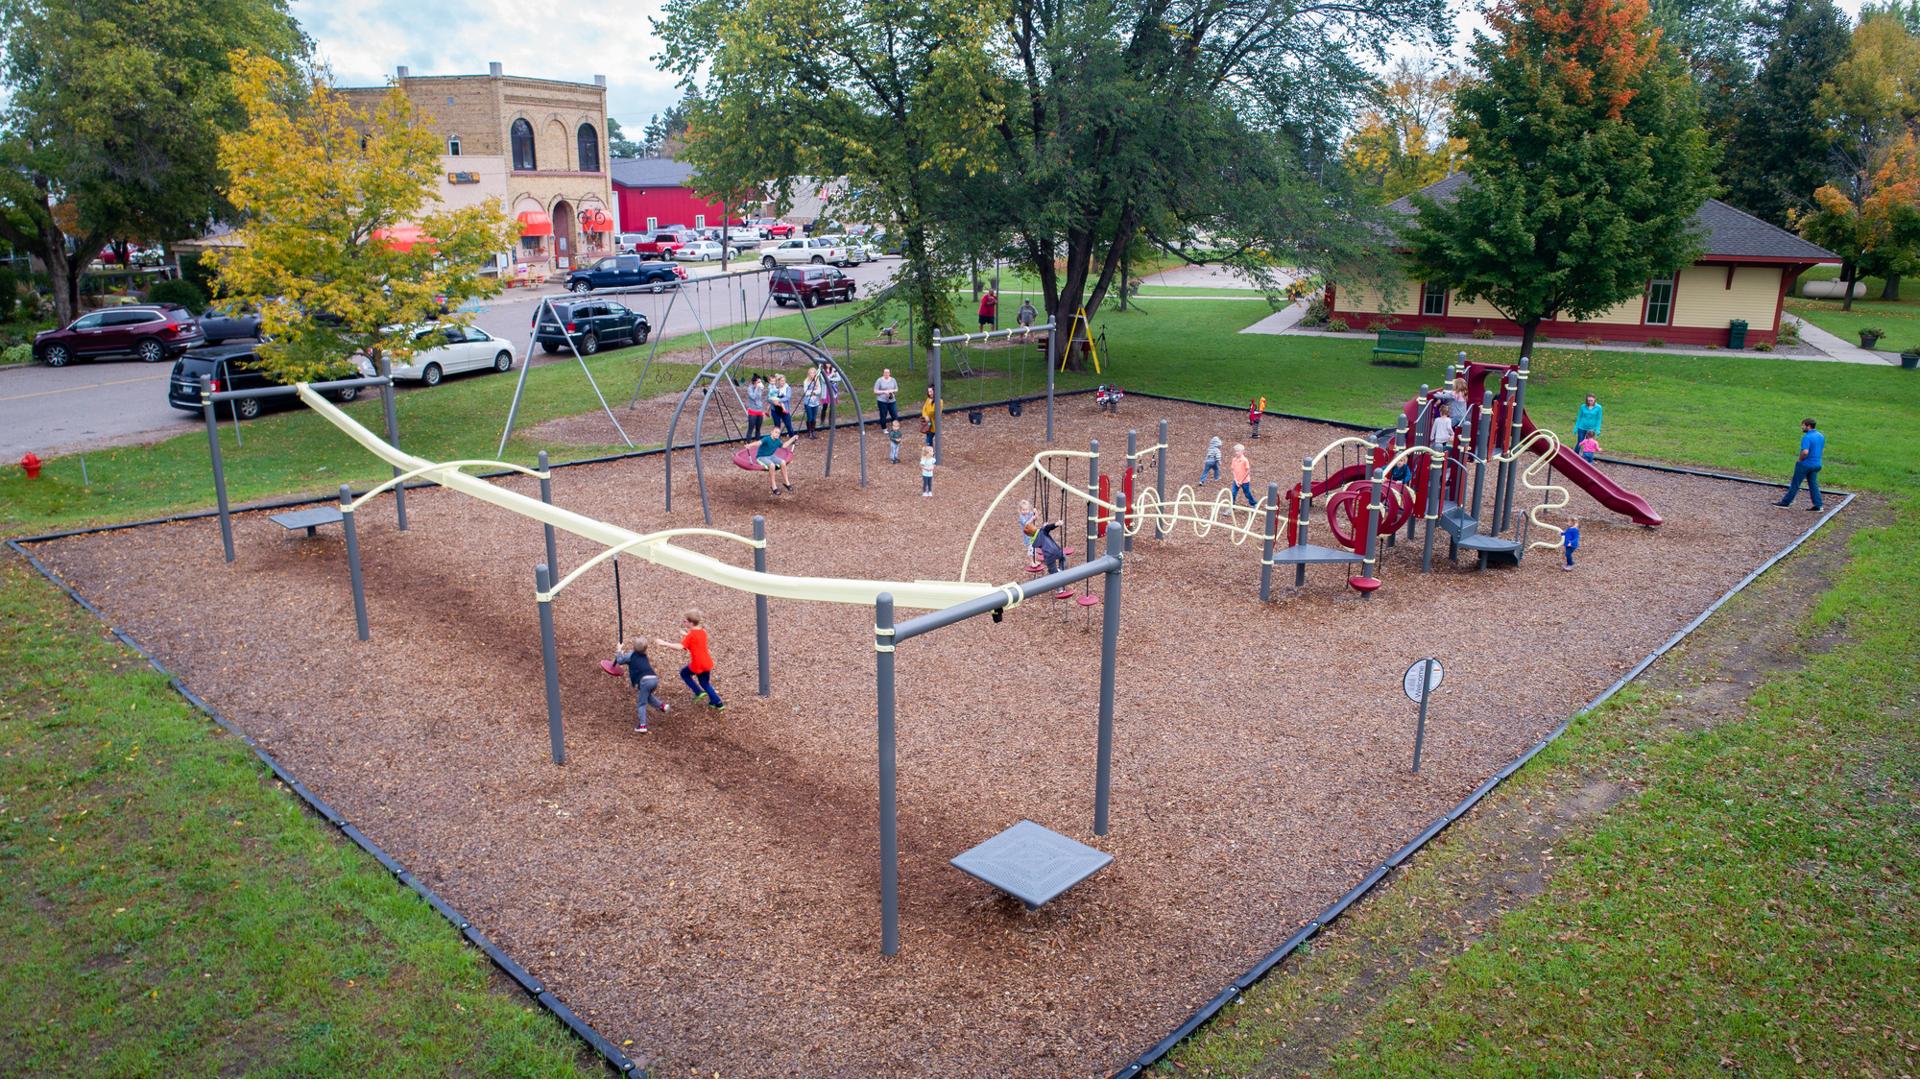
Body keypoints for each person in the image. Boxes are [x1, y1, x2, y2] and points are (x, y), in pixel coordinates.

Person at [656, 609, 724, 712]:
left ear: (691, 623)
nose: (683, 623)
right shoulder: (702, 631)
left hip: (698, 664)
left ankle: (699, 693)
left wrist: (664, 643)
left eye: (685, 621)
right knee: (705, 683)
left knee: (684, 673)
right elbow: (695, 639)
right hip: (707, 662)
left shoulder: (691, 635)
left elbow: (680, 646)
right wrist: (686, 634)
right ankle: (716, 702)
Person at [611, 639, 669, 734]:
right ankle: (662, 706)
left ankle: (643, 725)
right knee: (647, 696)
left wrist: (619, 650)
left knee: (641, 704)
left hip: (645, 681)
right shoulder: (644, 656)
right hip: (654, 679)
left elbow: (620, 661)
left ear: (633, 647)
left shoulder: (631, 656)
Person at [1775, 418, 1825, 511]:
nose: (1802, 428)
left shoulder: (1807, 437)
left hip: (1805, 464)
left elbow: (1805, 452)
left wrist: (1800, 460)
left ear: (1808, 426)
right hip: (1817, 464)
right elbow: (1821, 449)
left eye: (1803, 425)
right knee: (1813, 484)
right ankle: (1818, 505)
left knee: (1795, 483)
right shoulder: (1820, 436)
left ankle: (1785, 502)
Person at [1034, 519, 1072, 597]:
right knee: (1063, 558)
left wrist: (1043, 527)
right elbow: (1048, 528)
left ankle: (1059, 589)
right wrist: (1056, 523)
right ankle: (1060, 572)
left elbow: (1042, 531)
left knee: (1053, 571)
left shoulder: (1034, 539)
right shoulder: (1042, 531)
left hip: (1048, 556)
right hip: (1055, 551)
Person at [754, 430, 796, 494]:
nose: (777, 434)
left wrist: (793, 438)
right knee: (772, 465)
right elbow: (758, 443)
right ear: (771, 432)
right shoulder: (767, 439)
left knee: (783, 462)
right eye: (775, 432)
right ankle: (774, 487)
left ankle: (787, 483)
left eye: (778, 433)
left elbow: (784, 446)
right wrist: (750, 445)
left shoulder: (777, 441)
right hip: (761, 457)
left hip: (771, 456)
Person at [1016, 498, 1043, 567]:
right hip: (1028, 536)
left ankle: (1035, 560)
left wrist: (1036, 512)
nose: (1025, 511)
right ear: (1020, 510)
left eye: (1026, 509)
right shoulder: (1021, 517)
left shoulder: (1029, 514)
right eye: (1023, 510)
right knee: (1031, 549)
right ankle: (1031, 562)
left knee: (1035, 548)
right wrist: (1032, 518)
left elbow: (1036, 517)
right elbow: (1026, 524)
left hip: (1033, 534)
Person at [801, 366, 824, 437]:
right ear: (808, 374)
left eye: (813, 373)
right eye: (811, 373)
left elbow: (819, 391)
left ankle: (813, 431)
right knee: (810, 417)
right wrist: (814, 392)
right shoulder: (806, 381)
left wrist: (813, 392)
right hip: (808, 402)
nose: (812, 374)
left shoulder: (817, 381)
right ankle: (809, 431)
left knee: (814, 417)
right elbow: (806, 392)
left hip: (815, 402)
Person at [744, 374, 767, 441]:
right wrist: (757, 388)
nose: (760, 383)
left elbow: (759, 398)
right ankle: (748, 443)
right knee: (751, 428)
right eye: (758, 382)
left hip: (759, 411)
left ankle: (757, 442)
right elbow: (753, 397)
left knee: (758, 429)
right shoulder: (750, 388)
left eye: (760, 382)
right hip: (752, 411)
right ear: (754, 382)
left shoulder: (760, 388)